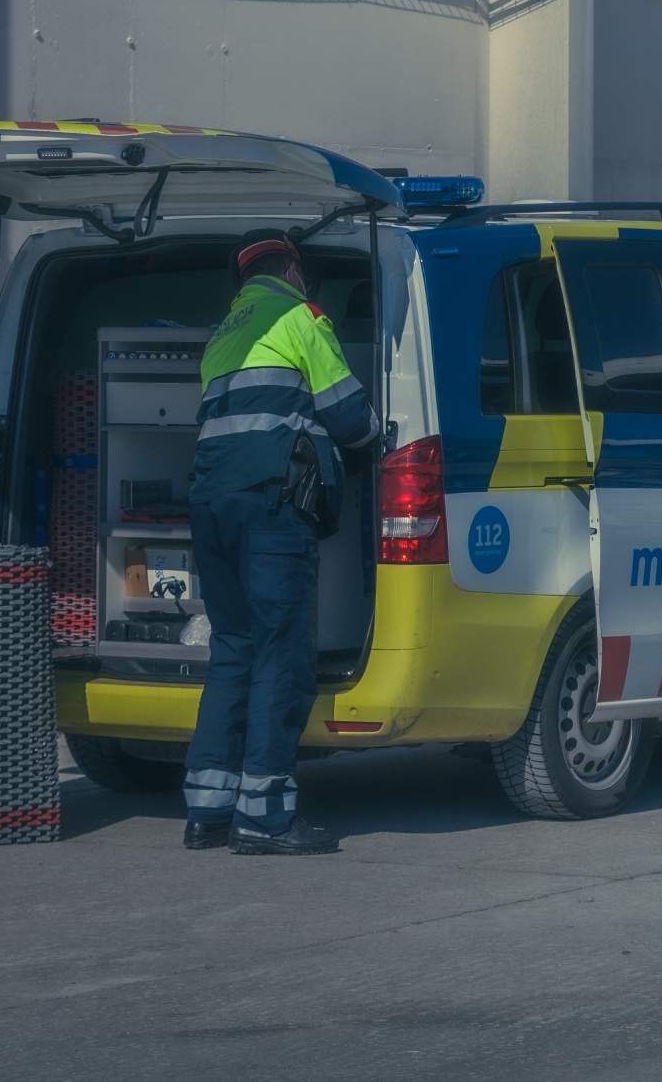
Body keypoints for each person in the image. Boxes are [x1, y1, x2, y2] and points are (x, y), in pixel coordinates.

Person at [181, 230, 375, 855]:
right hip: (270, 510)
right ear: (291, 268)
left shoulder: (222, 335)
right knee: (280, 653)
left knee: (232, 649)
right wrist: (378, 438)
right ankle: (264, 817)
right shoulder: (300, 316)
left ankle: (207, 811)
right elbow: (350, 417)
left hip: (212, 508)